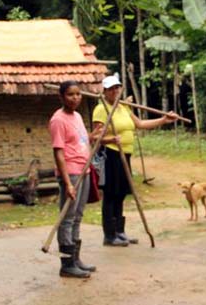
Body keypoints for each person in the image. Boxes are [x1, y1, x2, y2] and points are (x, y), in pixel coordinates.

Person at [92, 73, 178, 246]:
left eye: (117, 88)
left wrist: (164, 120)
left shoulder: (123, 107)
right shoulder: (101, 109)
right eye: (111, 89)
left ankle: (120, 232)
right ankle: (109, 235)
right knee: (111, 193)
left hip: (126, 154)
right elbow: (95, 136)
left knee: (122, 193)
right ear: (105, 91)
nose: (115, 91)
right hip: (111, 154)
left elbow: (140, 124)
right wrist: (110, 139)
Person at [48, 80, 96, 279]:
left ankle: (76, 260)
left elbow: (82, 141)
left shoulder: (76, 116)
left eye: (78, 94)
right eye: (70, 94)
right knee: (67, 219)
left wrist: (96, 136)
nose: (75, 98)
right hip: (71, 173)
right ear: (61, 97)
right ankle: (66, 264)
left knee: (77, 216)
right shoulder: (58, 120)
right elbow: (58, 152)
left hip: (83, 170)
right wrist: (67, 182)